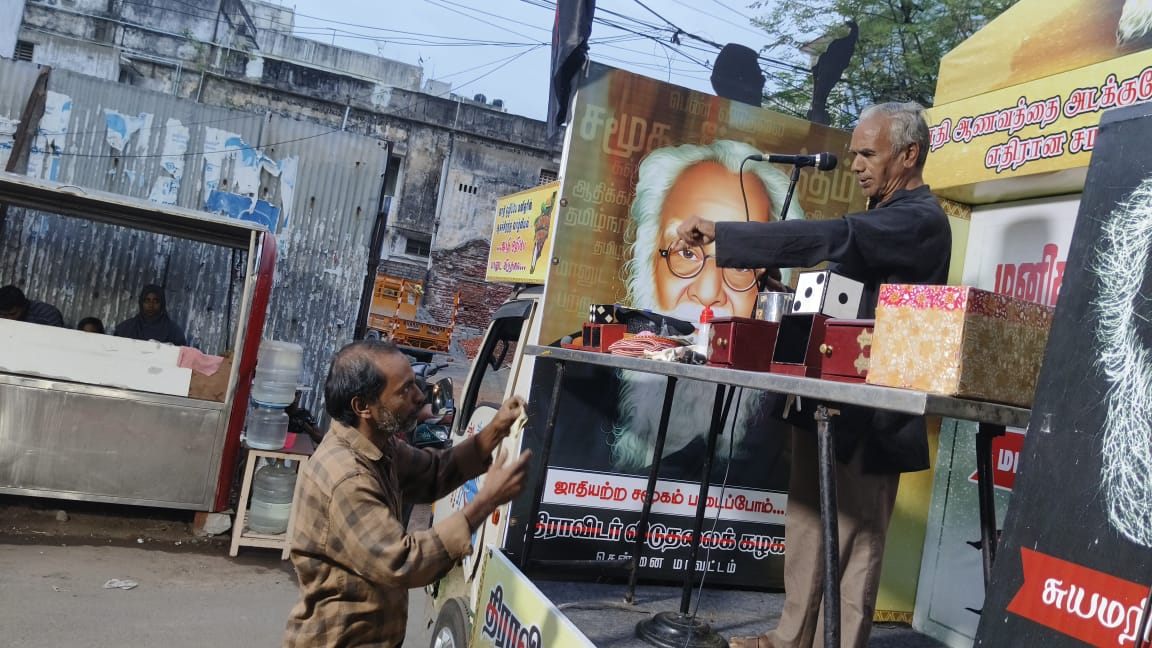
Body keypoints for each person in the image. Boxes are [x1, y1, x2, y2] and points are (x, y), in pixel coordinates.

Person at [673, 102, 951, 648]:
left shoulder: (917, 219)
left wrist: (726, 237)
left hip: (873, 413)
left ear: (909, 155)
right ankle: (789, 639)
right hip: (825, 396)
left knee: (857, 541)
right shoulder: (880, 214)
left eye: (869, 153)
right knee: (805, 523)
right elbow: (843, 300)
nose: (856, 164)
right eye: (854, 154)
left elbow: (833, 237)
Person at [283, 340, 532, 648]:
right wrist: (485, 502)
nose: (418, 398)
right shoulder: (347, 476)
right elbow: (402, 562)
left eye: (415, 385)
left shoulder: (378, 446)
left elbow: (434, 471)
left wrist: (496, 429)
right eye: (404, 390)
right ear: (363, 407)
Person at [609, 139, 800, 480]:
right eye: (686, 253)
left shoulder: (779, 434)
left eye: (741, 265)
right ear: (648, 261)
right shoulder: (584, 403)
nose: (709, 294)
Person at [113, 284, 187, 345]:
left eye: (156, 301)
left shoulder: (174, 332)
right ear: (141, 302)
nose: (151, 305)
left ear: (162, 304)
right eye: (147, 300)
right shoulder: (125, 328)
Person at [0, 285, 65, 327]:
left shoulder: (47, 314)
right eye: (3, 315)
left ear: (23, 307)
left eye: (12, 314)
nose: (9, 319)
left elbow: (55, 339)